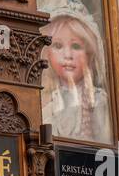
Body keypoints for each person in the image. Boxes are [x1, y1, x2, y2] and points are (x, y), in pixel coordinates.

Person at [42, 8, 111, 143]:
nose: (68, 55)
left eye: (76, 46)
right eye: (58, 45)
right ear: (48, 54)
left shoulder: (99, 101)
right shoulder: (46, 101)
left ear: (89, 54)